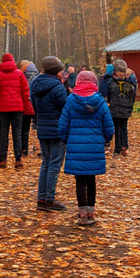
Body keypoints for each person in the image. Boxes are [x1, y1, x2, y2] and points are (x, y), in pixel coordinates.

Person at [59, 70, 115, 226]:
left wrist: (66, 140)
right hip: (94, 145)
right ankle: (91, 213)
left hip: (76, 146)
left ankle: (82, 214)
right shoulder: (100, 101)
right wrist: (105, 140)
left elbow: (63, 126)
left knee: (80, 181)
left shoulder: (71, 101)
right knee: (91, 180)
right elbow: (109, 126)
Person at [31, 56, 69, 212]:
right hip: (57, 129)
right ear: (56, 72)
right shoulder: (58, 88)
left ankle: (42, 197)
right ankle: (50, 198)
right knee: (54, 164)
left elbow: (34, 105)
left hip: (42, 127)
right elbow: (65, 108)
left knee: (46, 163)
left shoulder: (35, 84)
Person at [0, 53, 31, 168]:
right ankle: (18, 159)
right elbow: (25, 91)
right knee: (17, 133)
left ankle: (2, 159)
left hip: (3, 108)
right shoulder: (19, 74)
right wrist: (25, 103)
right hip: (17, 108)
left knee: (3, 133)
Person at [108, 65, 136, 156]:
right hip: (126, 109)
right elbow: (133, 98)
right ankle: (124, 146)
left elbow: (109, 97)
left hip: (115, 109)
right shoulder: (130, 85)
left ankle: (117, 148)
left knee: (117, 128)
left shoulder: (112, 84)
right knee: (124, 127)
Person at [19, 60, 39, 157]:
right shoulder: (37, 76)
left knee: (22, 129)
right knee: (33, 128)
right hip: (34, 105)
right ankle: (37, 149)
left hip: (23, 105)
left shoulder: (20, 76)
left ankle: (23, 149)